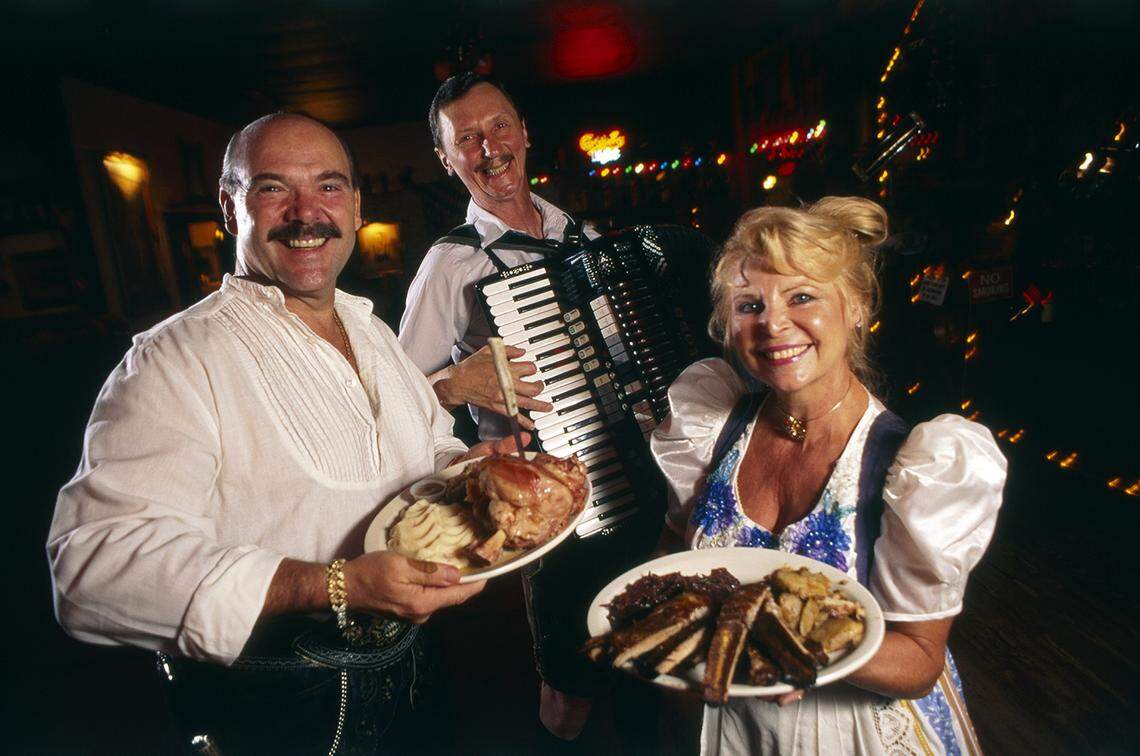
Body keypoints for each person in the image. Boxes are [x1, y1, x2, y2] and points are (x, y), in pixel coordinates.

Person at [47, 112, 517, 754]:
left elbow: (428, 448)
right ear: (228, 205)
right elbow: (91, 572)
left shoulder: (373, 331)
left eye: (328, 187)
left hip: (418, 684)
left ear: (355, 206)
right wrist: (333, 583)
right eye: (273, 188)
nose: (306, 213)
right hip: (280, 715)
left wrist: (473, 470)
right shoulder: (174, 359)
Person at [650, 196, 1007, 754]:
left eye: (802, 296)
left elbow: (919, 659)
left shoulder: (917, 464)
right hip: (735, 728)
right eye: (748, 305)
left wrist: (808, 656)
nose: (773, 324)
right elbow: (674, 552)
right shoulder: (710, 426)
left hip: (857, 733)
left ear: (857, 307)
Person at [399, 73, 635, 743]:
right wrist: (453, 382)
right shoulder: (450, 265)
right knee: (567, 685)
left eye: (499, 127)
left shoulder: (578, 233)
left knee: (636, 650)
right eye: (466, 139)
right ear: (448, 160)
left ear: (525, 132)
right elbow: (393, 396)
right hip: (544, 498)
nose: (489, 148)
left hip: (630, 473)